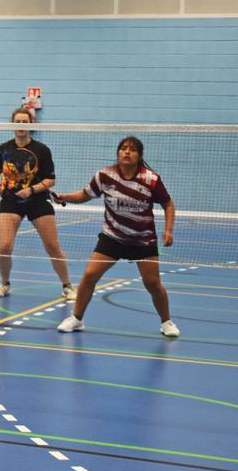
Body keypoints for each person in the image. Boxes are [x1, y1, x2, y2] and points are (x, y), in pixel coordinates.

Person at [53, 137, 178, 337]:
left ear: (139, 155)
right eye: (123, 149)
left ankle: (167, 322)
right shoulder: (105, 175)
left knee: (153, 283)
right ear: (118, 153)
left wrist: (169, 229)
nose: (127, 152)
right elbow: (86, 194)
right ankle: (76, 318)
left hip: (142, 239)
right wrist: (65, 197)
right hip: (113, 237)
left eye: (132, 150)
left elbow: (168, 204)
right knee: (89, 276)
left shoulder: (150, 179)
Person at [0, 108, 75, 300]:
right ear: (12, 124)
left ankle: (67, 285)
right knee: (4, 247)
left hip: (37, 200)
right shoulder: (2, 149)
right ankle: (4, 284)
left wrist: (32, 190)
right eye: (17, 122)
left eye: (25, 122)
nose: (21, 125)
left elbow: (51, 181)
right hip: (10, 201)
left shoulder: (42, 150)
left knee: (52, 245)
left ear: (31, 125)